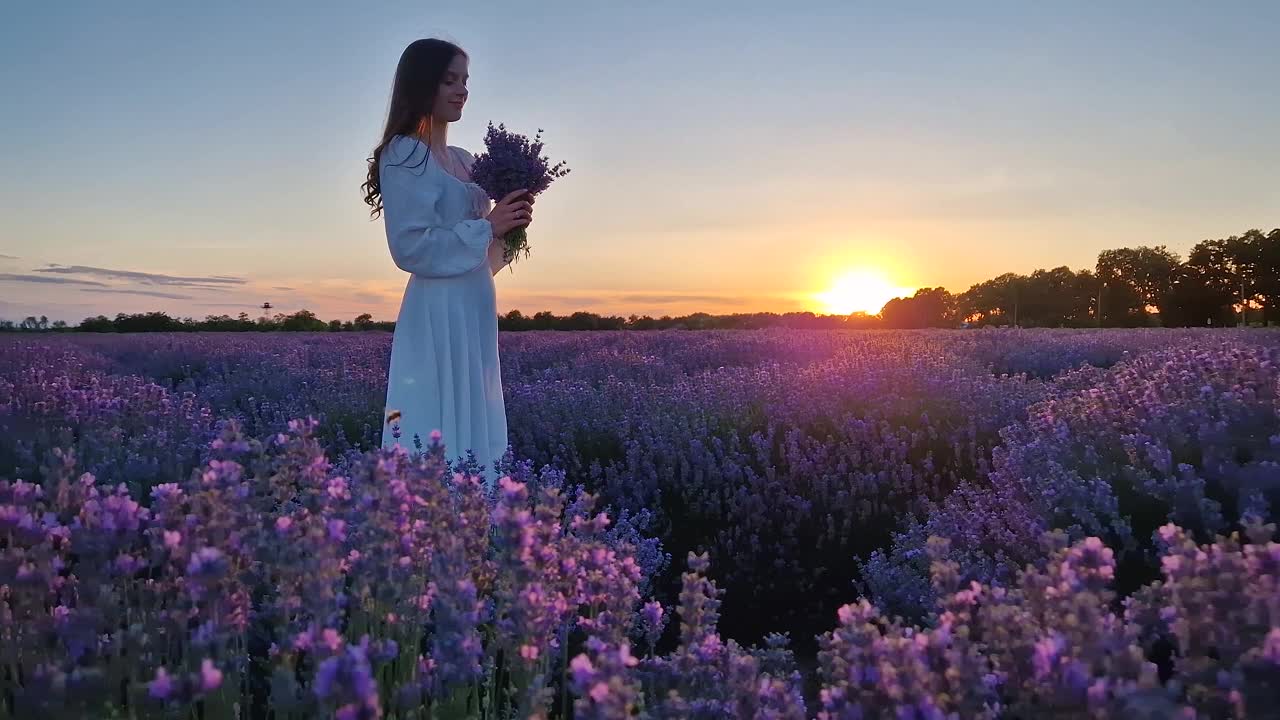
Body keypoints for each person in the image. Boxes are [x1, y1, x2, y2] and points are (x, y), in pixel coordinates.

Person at [361, 38, 532, 488]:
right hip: (436, 308)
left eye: (465, 81)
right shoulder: (404, 154)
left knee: (476, 408)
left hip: (474, 303)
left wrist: (511, 226)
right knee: (431, 411)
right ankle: (427, 529)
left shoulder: (468, 162)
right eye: (449, 80)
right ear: (423, 85)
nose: (461, 90)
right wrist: (487, 228)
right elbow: (410, 248)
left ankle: (482, 523)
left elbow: (483, 259)